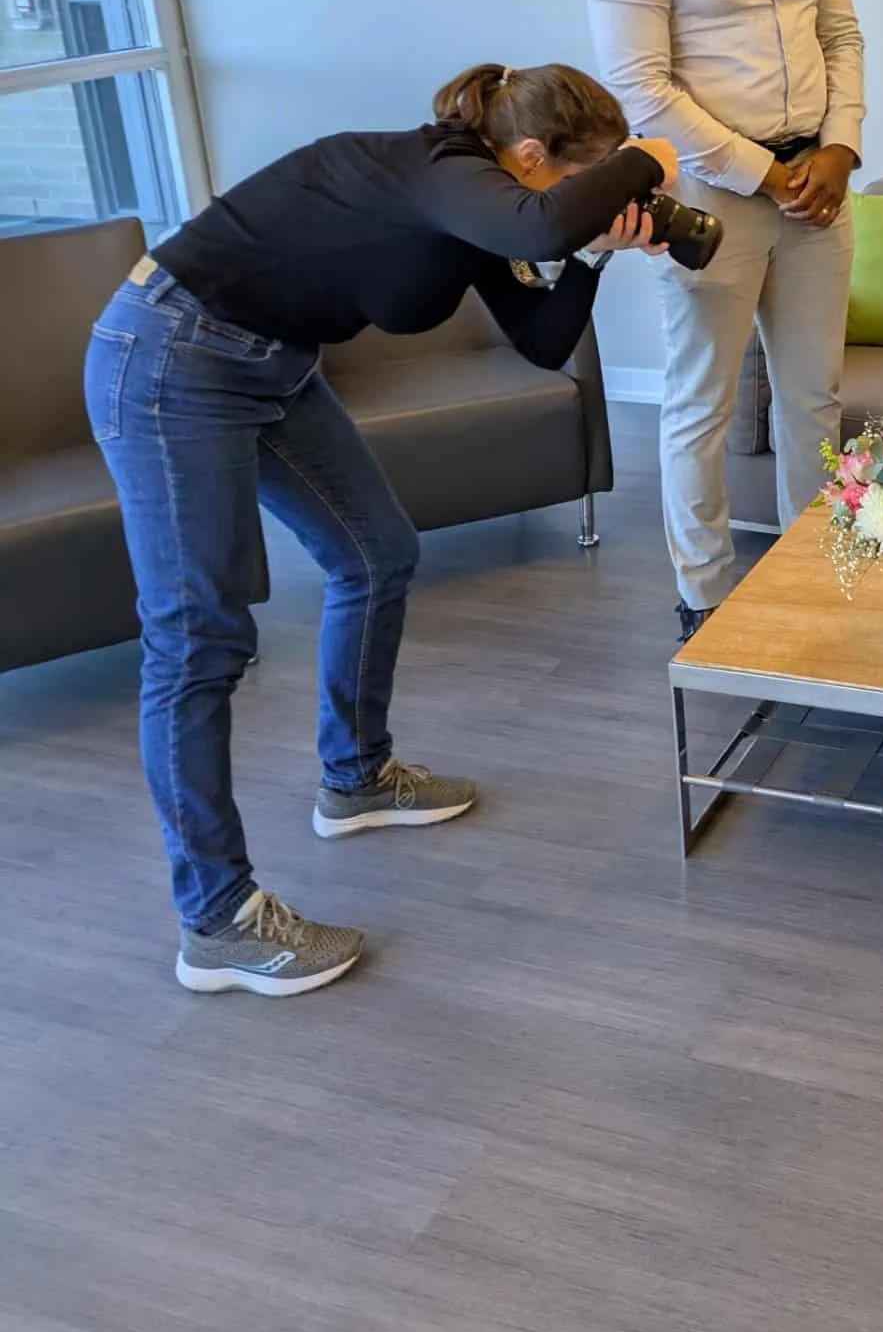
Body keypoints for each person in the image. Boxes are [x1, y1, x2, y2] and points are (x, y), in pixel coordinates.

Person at [84, 62, 676, 997]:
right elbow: (547, 221)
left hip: (269, 364)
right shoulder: (441, 170)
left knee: (375, 553)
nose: (588, 198)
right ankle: (216, 920)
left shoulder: (488, 208)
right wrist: (649, 156)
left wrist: (601, 253)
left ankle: (355, 779)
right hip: (171, 357)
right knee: (198, 642)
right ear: (531, 157)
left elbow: (542, 338)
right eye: (583, 178)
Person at [583, 0, 866, 640]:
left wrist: (840, 150)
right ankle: (704, 595)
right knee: (702, 400)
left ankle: (817, 574)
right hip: (711, 198)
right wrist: (764, 171)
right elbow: (641, 89)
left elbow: (843, 38)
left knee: (815, 396)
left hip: (816, 183)